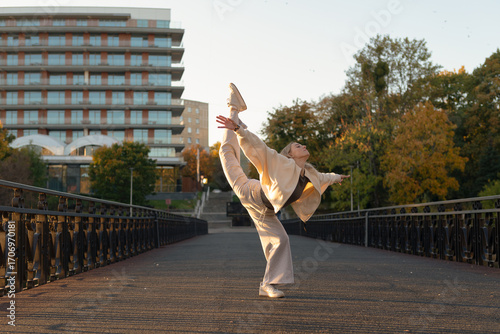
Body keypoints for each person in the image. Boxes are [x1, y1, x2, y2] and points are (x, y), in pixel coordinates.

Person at [217, 83, 349, 298]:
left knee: (282, 240)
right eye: (298, 146)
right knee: (227, 153)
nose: (303, 146)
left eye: (303, 145)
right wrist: (239, 129)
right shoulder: (280, 162)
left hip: (265, 211)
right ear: (290, 154)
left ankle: (266, 285)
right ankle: (234, 106)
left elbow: (323, 178)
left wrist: (337, 177)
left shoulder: (308, 174)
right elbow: (259, 147)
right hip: (250, 192)